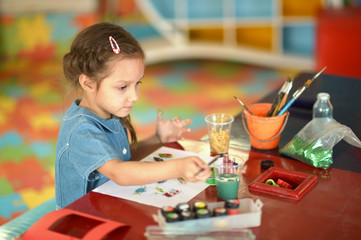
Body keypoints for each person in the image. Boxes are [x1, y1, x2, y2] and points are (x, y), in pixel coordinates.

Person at [55, 22, 211, 209]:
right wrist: (178, 168)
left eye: (138, 83)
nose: (135, 96)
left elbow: (122, 159)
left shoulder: (108, 110)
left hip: (108, 208)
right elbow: (119, 172)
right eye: (123, 87)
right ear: (87, 83)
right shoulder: (82, 131)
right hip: (80, 225)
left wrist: (158, 139)